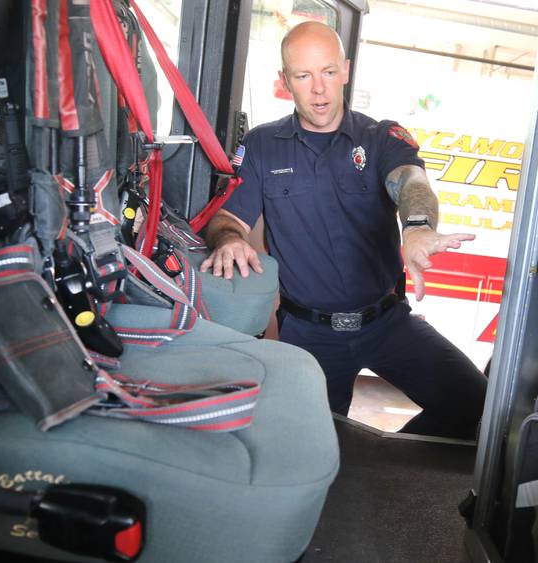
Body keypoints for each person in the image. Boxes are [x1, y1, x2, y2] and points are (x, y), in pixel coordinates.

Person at [201, 21, 487, 439]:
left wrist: (419, 226)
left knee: (475, 402)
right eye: (303, 76)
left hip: (387, 324)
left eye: (329, 72)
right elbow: (228, 218)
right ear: (285, 82)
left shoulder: (380, 138)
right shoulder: (263, 146)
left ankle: (389, 465)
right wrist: (227, 239)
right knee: (308, 447)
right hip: (309, 336)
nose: (319, 89)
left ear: (346, 70)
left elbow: (411, 181)